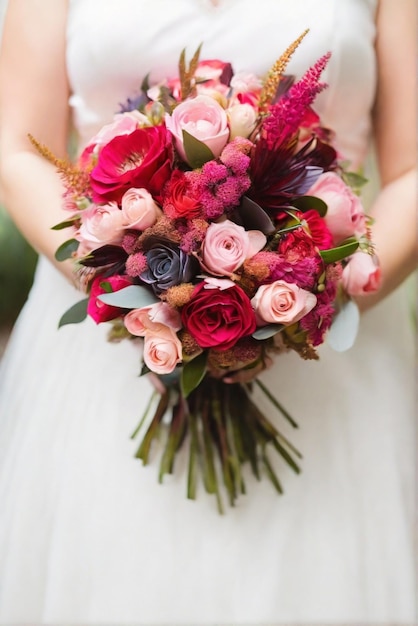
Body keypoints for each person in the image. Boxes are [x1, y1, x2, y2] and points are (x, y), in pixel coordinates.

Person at [0, 0, 416, 623]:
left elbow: (413, 168)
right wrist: (121, 285)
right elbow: (17, 149)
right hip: (102, 356)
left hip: (330, 356)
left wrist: (307, 297)